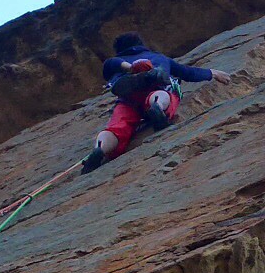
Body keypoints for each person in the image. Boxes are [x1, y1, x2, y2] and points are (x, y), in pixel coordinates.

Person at [81, 32, 229, 173]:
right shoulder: (159, 57)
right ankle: (157, 106)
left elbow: (110, 64)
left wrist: (130, 68)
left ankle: (101, 148)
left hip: (128, 98)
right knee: (164, 92)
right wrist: (211, 73)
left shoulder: (115, 63)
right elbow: (188, 72)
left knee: (117, 127)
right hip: (155, 82)